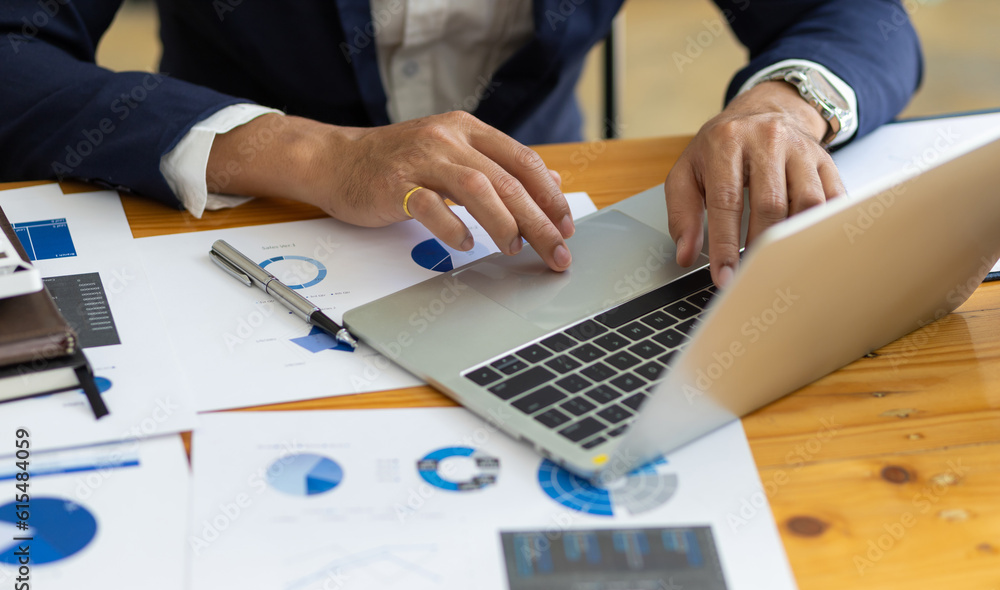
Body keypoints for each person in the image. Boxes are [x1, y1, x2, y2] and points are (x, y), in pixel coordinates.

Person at [0, 1, 921, 286]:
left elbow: (853, 15)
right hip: (240, 218)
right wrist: (318, 155)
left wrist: (781, 108)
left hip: (547, 225)